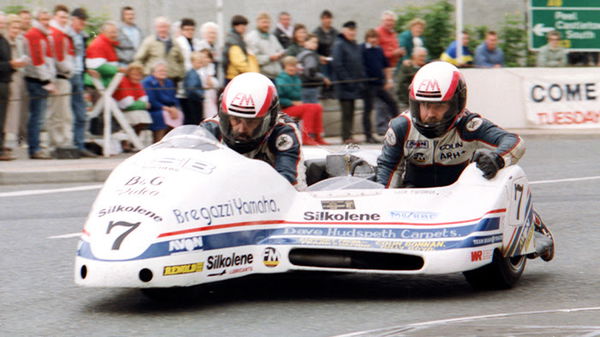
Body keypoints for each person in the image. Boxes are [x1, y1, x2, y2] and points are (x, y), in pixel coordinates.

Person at [376, 60, 554, 262]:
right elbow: (389, 169)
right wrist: (383, 211)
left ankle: (531, 220)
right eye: (424, 105)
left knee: (503, 171)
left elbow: (514, 141)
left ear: (456, 104)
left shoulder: (469, 125)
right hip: (415, 193)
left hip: (462, 195)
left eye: (439, 105)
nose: (430, 114)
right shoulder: (401, 127)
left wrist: (496, 159)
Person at [200, 72, 306, 189]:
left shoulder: (283, 132)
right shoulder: (210, 130)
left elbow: (287, 182)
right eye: (235, 119)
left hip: (270, 198)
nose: (241, 129)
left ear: (269, 118)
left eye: (250, 122)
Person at [23, 8, 56, 159]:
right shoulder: (35, 35)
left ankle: (35, 146)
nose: (46, 22)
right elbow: (37, 60)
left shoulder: (44, 35)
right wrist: (47, 80)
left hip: (41, 79)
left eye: (47, 19)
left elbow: (47, 59)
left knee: (39, 116)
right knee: (36, 117)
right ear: (38, 20)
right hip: (37, 81)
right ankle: (34, 148)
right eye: (43, 20)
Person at [275, 56, 327, 146]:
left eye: (294, 66)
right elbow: (278, 98)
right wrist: (292, 102)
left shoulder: (297, 78)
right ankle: (306, 137)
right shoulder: (280, 79)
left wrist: (297, 102)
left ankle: (318, 137)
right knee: (310, 108)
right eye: (290, 66)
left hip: (295, 107)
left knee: (317, 107)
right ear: (284, 67)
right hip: (284, 109)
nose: (292, 68)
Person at [361, 29, 398, 144]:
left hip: (379, 84)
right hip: (368, 84)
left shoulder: (379, 49)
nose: (373, 40)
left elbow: (386, 66)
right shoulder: (362, 49)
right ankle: (368, 135)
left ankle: (397, 129)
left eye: (375, 37)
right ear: (367, 38)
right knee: (368, 109)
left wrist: (389, 80)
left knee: (392, 103)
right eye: (371, 37)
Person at [67, 8, 96, 157]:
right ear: (73, 19)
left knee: (81, 112)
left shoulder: (83, 36)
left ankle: (78, 144)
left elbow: (82, 57)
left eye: (84, 21)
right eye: (80, 20)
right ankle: (72, 145)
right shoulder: (66, 35)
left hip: (79, 75)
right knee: (69, 113)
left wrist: (86, 69)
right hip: (68, 75)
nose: (82, 24)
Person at [331, 21, 365, 144]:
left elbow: (359, 63)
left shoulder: (354, 44)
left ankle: (349, 135)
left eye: (354, 30)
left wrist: (359, 80)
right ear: (344, 31)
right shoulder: (339, 44)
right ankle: (346, 137)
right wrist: (348, 80)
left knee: (351, 112)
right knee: (346, 113)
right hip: (344, 85)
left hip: (354, 85)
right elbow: (337, 65)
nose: (352, 32)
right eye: (350, 30)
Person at [47, 5, 75, 152]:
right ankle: (58, 143)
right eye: (61, 17)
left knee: (62, 112)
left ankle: (61, 141)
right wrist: (70, 70)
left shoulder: (62, 34)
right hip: (60, 77)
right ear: (55, 17)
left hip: (63, 76)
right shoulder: (57, 34)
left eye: (66, 17)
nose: (64, 20)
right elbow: (59, 59)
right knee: (59, 112)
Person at [1, 13, 27, 160]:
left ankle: (5, 144)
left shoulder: (11, 41)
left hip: (12, 80)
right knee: (6, 116)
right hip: (6, 79)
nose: (16, 30)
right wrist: (11, 64)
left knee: (11, 116)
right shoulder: (4, 41)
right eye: (13, 26)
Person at [168, 18, 202, 125]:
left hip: (195, 80)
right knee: (187, 113)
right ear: (182, 30)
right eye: (187, 29)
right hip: (183, 80)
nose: (189, 32)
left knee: (196, 114)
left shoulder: (196, 43)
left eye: (192, 29)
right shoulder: (178, 43)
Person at [113, 62, 152, 151]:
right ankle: (126, 142)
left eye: (139, 74)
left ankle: (133, 141)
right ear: (129, 74)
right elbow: (127, 104)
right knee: (139, 115)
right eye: (133, 74)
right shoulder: (124, 81)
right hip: (121, 110)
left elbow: (144, 100)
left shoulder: (138, 84)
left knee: (143, 116)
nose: (136, 76)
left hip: (132, 110)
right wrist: (142, 104)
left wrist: (141, 104)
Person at [142, 60, 181, 143]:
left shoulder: (169, 82)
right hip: (154, 108)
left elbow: (174, 98)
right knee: (162, 115)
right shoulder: (148, 82)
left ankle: (171, 140)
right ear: (153, 72)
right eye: (160, 71)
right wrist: (168, 109)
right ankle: (159, 141)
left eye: (165, 71)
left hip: (168, 108)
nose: (163, 73)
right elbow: (151, 100)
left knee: (179, 114)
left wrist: (174, 108)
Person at [245, 12, 285, 81]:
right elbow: (253, 58)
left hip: (275, 76)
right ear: (257, 23)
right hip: (261, 77)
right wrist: (269, 58)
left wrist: (280, 54)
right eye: (264, 22)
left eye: (268, 22)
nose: (266, 25)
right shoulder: (251, 37)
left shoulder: (272, 37)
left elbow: (280, 50)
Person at [223, 15, 258, 84]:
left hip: (238, 76)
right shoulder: (233, 41)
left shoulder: (238, 39)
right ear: (235, 26)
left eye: (245, 25)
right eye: (242, 25)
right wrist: (252, 73)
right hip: (235, 77)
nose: (244, 27)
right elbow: (239, 62)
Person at [84, 21, 120, 88]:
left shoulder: (109, 43)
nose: (115, 35)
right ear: (104, 32)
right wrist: (118, 70)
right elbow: (97, 66)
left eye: (116, 32)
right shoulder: (99, 44)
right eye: (112, 32)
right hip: (95, 85)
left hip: (104, 84)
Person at [297, 34, 330, 103]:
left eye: (316, 42)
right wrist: (323, 77)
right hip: (310, 88)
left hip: (301, 86)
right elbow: (310, 72)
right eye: (313, 42)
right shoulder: (310, 55)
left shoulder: (300, 54)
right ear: (305, 43)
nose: (315, 44)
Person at [313, 10, 338, 98]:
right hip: (320, 59)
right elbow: (313, 48)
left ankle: (333, 89)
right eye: (325, 18)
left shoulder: (335, 32)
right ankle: (324, 90)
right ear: (322, 20)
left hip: (332, 58)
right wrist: (319, 57)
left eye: (329, 18)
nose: (327, 20)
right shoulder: (316, 32)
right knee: (324, 66)